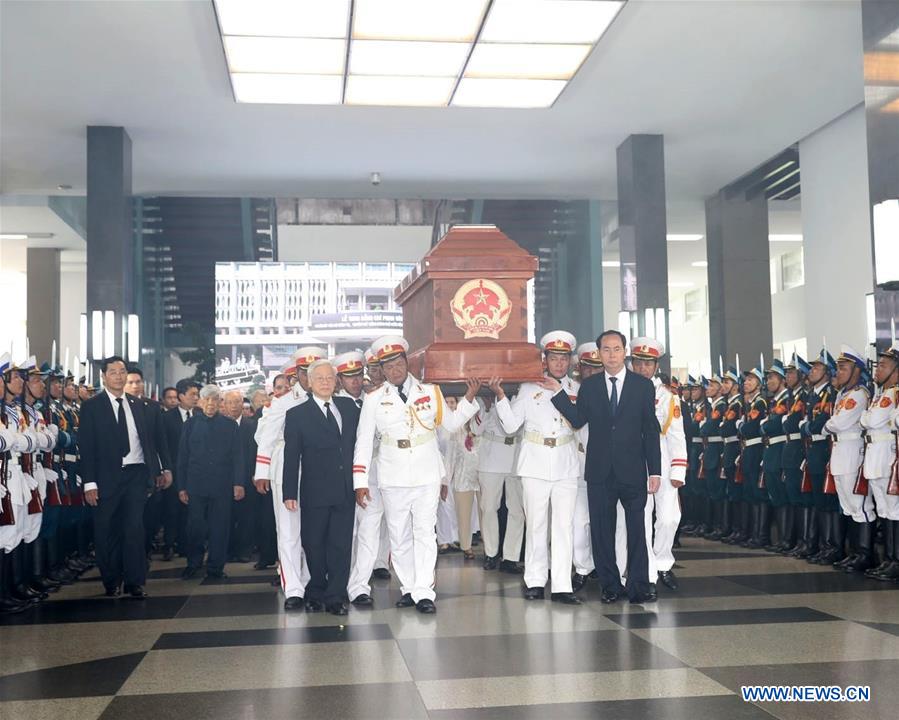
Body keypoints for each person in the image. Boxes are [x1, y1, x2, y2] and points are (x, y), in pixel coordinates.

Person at [353, 335, 481, 614]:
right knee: (398, 535)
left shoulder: (430, 391)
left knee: (425, 532)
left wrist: (469, 399)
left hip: (426, 471)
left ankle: (424, 591)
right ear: (382, 370)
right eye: (388, 367)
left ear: (406, 362)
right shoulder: (375, 399)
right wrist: (360, 481)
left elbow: (452, 423)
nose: (394, 370)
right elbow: (363, 442)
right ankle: (409, 587)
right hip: (391, 473)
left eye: (398, 363)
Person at [548, 330, 661, 605]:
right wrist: (558, 394)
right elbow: (577, 420)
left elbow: (650, 430)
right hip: (599, 472)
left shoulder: (643, 386)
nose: (611, 355)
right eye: (606, 350)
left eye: (616, 349)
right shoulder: (591, 386)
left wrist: (655, 471)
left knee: (637, 530)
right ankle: (610, 586)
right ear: (599, 354)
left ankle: (638, 585)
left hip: (634, 471)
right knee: (601, 531)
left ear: (625, 352)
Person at [488, 331, 582, 604]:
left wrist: (561, 393)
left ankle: (563, 585)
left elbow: (579, 421)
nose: (559, 364)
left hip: (565, 463)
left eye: (564, 359)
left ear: (570, 361)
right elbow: (510, 425)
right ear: (545, 360)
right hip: (535, 463)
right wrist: (500, 396)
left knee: (564, 526)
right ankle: (535, 580)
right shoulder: (529, 389)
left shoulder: (576, 390)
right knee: (537, 524)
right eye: (554, 358)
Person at [79, 356, 163, 598]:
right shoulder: (92, 407)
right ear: (103, 376)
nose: (118, 375)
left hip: (136, 475)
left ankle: (135, 581)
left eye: (122, 371)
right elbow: (87, 447)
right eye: (113, 372)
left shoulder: (138, 405)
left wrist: (154, 472)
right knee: (107, 531)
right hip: (106, 478)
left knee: (135, 529)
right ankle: (111, 580)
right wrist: (90, 483)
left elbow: (148, 442)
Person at [282, 360, 361, 615]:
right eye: (320, 379)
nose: (325, 382)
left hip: (345, 489)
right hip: (314, 490)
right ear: (310, 382)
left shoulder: (349, 407)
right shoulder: (297, 414)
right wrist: (289, 492)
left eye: (330, 378)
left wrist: (360, 483)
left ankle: (336, 595)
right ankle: (315, 590)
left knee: (340, 544)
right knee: (313, 543)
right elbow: (291, 456)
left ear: (336, 381)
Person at [254, 347, 324, 610]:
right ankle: (293, 588)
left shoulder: (329, 399)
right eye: (304, 372)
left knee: (314, 532)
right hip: (286, 471)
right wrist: (261, 473)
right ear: (297, 374)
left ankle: (310, 580)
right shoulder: (282, 402)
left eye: (314, 371)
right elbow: (265, 439)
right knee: (289, 532)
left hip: (317, 472)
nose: (310, 377)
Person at [617, 337, 686, 593]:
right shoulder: (625, 390)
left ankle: (663, 562)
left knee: (668, 518)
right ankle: (648, 574)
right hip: (637, 461)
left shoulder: (668, 396)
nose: (643, 368)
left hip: (665, 460)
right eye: (638, 362)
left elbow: (677, 433)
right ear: (631, 363)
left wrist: (679, 469)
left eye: (649, 363)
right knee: (640, 520)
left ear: (656, 365)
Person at [336, 351, 391, 608]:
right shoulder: (335, 404)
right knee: (348, 534)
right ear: (340, 380)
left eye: (358, 375)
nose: (355, 381)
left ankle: (359, 586)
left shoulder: (377, 399)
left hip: (375, 476)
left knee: (370, 531)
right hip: (345, 479)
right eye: (349, 377)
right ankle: (342, 581)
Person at [177, 384, 244, 579]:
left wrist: (238, 483)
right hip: (195, 485)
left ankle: (216, 567)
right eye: (207, 399)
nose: (210, 403)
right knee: (195, 527)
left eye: (215, 399)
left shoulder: (230, 425)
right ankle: (193, 563)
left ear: (220, 402)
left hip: (222, 485)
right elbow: (182, 457)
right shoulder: (189, 425)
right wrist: (181, 487)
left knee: (220, 529)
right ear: (200, 401)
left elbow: (238, 457)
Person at [825, 345, 872, 573]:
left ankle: (865, 553)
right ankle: (854, 552)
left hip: (852, 451)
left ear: (856, 371)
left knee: (859, 505)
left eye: (843, 369)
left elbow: (838, 423)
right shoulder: (843, 395)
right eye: (838, 369)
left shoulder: (859, 395)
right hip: (840, 451)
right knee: (846, 505)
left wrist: (827, 424)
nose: (838, 373)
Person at [125, 367, 173, 560]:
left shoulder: (152, 407)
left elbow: (161, 441)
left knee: (149, 517)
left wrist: (166, 469)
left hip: (149, 472)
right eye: (131, 382)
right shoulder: (115, 406)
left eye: (138, 382)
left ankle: (144, 552)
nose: (135, 386)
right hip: (124, 472)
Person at [801, 349, 843, 564]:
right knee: (818, 499)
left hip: (824, 449)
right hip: (814, 450)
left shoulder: (831, 394)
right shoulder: (814, 394)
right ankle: (822, 545)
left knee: (829, 501)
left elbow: (819, 423)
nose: (812, 370)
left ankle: (833, 546)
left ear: (827, 372)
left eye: (817, 367)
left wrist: (807, 427)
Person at [861, 341, 899, 580]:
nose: (878, 370)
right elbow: (870, 419)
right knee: (885, 510)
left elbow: (871, 420)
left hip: (886, 454)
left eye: (883, 366)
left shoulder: (892, 394)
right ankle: (889, 558)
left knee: (893, 510)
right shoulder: (881, 394)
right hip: (875, 455)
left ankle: (896, 560)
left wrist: (871, 417)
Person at [475, 393, 523, 574]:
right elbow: (475, 429)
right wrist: (486, 408)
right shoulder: (484, 396)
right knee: (488, 507)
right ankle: (491, 553)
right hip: (491, 456)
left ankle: (510, 557)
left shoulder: (523, 392)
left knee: (517, 510)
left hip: (517, 454)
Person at [571, 342, 602, 591]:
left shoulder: (609, 392)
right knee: (578, 521)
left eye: (596, 367)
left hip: (604, 463)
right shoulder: (570, 390)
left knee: (605, 520)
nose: (591, 373)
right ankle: (582, 567)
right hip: (576, 464)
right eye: (587, 368)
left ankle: (604, 566)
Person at [161, 378, 199, 560]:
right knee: (171, 510)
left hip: (195, 473)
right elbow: (163, 446)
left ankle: (186, 545)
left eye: (197, 394)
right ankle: (169, 545)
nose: (196, 398)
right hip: (174, 472)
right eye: (192, 394)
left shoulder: (200, 415)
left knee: (191, 512)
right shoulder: (166, 418)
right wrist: (166, 469)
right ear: (181, 396)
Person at [760, 359, 793, 552]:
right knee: (776, 496)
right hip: (771, 450)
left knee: (783, 495)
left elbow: (772, 425)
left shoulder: (786, 400)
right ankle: (782, 539)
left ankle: (788, 539)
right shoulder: (775, 401)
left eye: (772, 377)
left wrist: (764, 425)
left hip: (780, 449)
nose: (768, 381)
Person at [782, 354, 812, 556]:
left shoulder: (804, 397)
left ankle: (805, 541)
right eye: (787, 373)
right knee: (793, 496)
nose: (788, 376)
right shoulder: (792, 397)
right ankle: (795, 540)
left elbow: (792, 424)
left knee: (803, 498)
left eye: (792, 373)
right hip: (790, 450)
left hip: (800, 449)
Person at [222, 390, 256, 563]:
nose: (234, 406)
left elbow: (254, 453)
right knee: (226, 517)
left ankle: (244, 551)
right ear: (224, 405)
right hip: (225, 479)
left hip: (248, 478)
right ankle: (228, 551)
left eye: (237, 402)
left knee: (246, 517)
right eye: (230, 402)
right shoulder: (220, 425)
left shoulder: (252, 425)